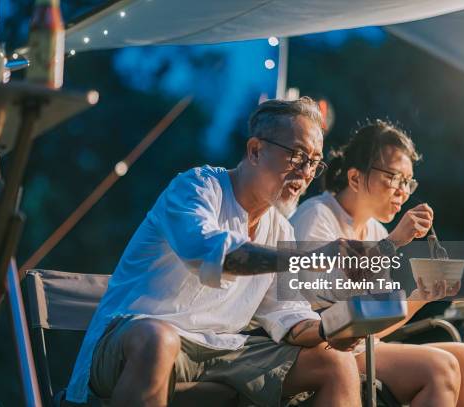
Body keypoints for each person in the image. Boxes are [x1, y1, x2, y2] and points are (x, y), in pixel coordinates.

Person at [66, 97, 363, 407]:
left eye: (314, 162)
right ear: (255, 150)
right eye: (297, 155)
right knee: (158, 340)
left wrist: (333, 328)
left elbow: (287, 316)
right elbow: (211, 254)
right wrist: (307, 257)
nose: (305, 173)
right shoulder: (197, 188)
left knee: (336, 364)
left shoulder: (280, 229)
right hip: (134, 338)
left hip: (222, 350)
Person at [291, 120, 464, 407]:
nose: (403, 192)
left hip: (363, 347)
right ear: (356, 178)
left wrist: (422, 297)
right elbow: (329, 318)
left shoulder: (375, 231)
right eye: (394, 178)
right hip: (321, 349)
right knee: (440, 367)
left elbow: (373, 326)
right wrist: (393, 243)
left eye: (408, 182)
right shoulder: (316, 217)